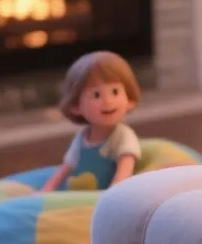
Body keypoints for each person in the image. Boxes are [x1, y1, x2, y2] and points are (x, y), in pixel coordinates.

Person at [41, 51, 143, 191]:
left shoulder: (122, 136)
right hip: (79, 192)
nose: (107, 101)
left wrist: (113, 192)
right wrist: (47, 189)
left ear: (129, 100)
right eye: (96, 95)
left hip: (104, 196)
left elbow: (124, 172)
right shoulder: (81, 137)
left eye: (115, 92)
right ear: (76, 107)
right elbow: (66, 167)